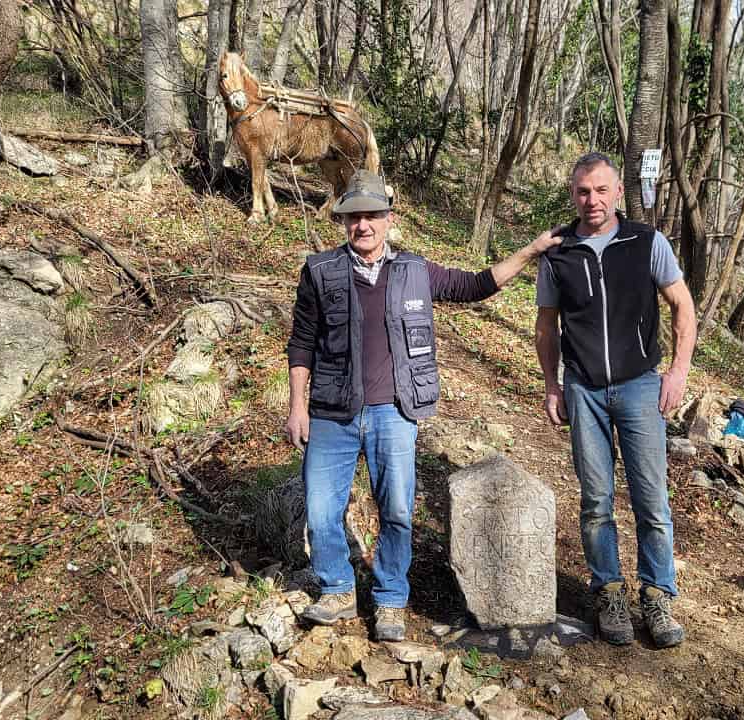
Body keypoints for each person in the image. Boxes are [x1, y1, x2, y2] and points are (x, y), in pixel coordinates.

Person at [286, 169, 560, 642]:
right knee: (320, 508)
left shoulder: (415, 271)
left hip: (395, 412)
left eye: (372, 215)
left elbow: (475, 285)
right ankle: (336, 589)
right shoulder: (320, 271)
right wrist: (297, 406)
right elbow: (301, 343)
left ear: (389, 220)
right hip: (331, 411)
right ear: (344, 222)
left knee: (395, 510)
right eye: (354, 217)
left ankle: (390, 600)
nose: (363, 226)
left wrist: (530, 252)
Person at [534, 152, 697, 648]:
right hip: (583, 388)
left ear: (618, 193)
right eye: (583, 191)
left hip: (640, 384)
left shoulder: (646, 243)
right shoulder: (558, 252)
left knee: (651, 500)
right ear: (572, 195)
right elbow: (546, 326)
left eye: (601, 190)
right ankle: (608, 590)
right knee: (596, 500)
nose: (593, 200)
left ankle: (657, 594)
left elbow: (683, 306)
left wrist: (678, 372)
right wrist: (551, 384)